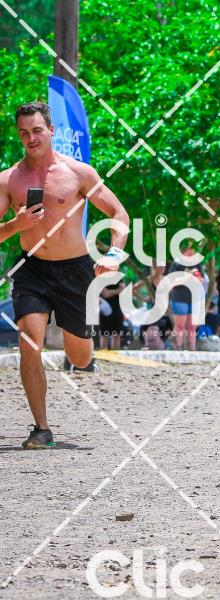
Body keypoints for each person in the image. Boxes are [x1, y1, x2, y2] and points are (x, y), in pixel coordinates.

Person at [0, 101, 129, 449]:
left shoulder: (78, 173)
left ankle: (85, 350)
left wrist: (113, 254)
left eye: (37, 130)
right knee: (29, 341)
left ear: (52, 130)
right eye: (24, 133)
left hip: (75, 271)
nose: (31, 138)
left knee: (79, 357)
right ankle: (41, 429)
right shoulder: (9, 179)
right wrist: (15, 225)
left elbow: (119, 213)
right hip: (32, 270)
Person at [165, 245, 206, 351]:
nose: (192, 254)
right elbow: (172, 283)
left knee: (192, 327)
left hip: (194, 298)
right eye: (189, 252)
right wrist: (188, 277)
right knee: (180, 326)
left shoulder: (197, 264)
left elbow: (201, 279)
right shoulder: (176, 264)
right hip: (179, 298)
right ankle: (177, 348)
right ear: (183, 251)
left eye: (193, 252)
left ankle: (192, 350)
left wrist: (194, 278)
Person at [98, 280, 126, 349]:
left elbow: (123, 289)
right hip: (104, 308)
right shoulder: (99, 275)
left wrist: (110, 292)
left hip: (118, 307)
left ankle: (115, 355)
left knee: (116, 334)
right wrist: (116, 291)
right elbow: (104, 293)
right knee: (105, 334)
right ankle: (103, 355)